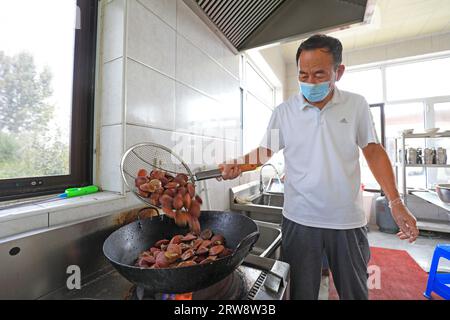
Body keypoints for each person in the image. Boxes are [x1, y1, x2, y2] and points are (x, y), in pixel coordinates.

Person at [219, 34, 419, 300]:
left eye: (319, 74)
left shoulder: (356, 105)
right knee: (301, 293)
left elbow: (373, 150)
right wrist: (239, 165)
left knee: (355, 292)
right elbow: (265, 151)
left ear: (339, 71)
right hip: (300, 220)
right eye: (303, 75)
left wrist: (395, 201)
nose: (310, 82)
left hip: (347, 221)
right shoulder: (284, 111)